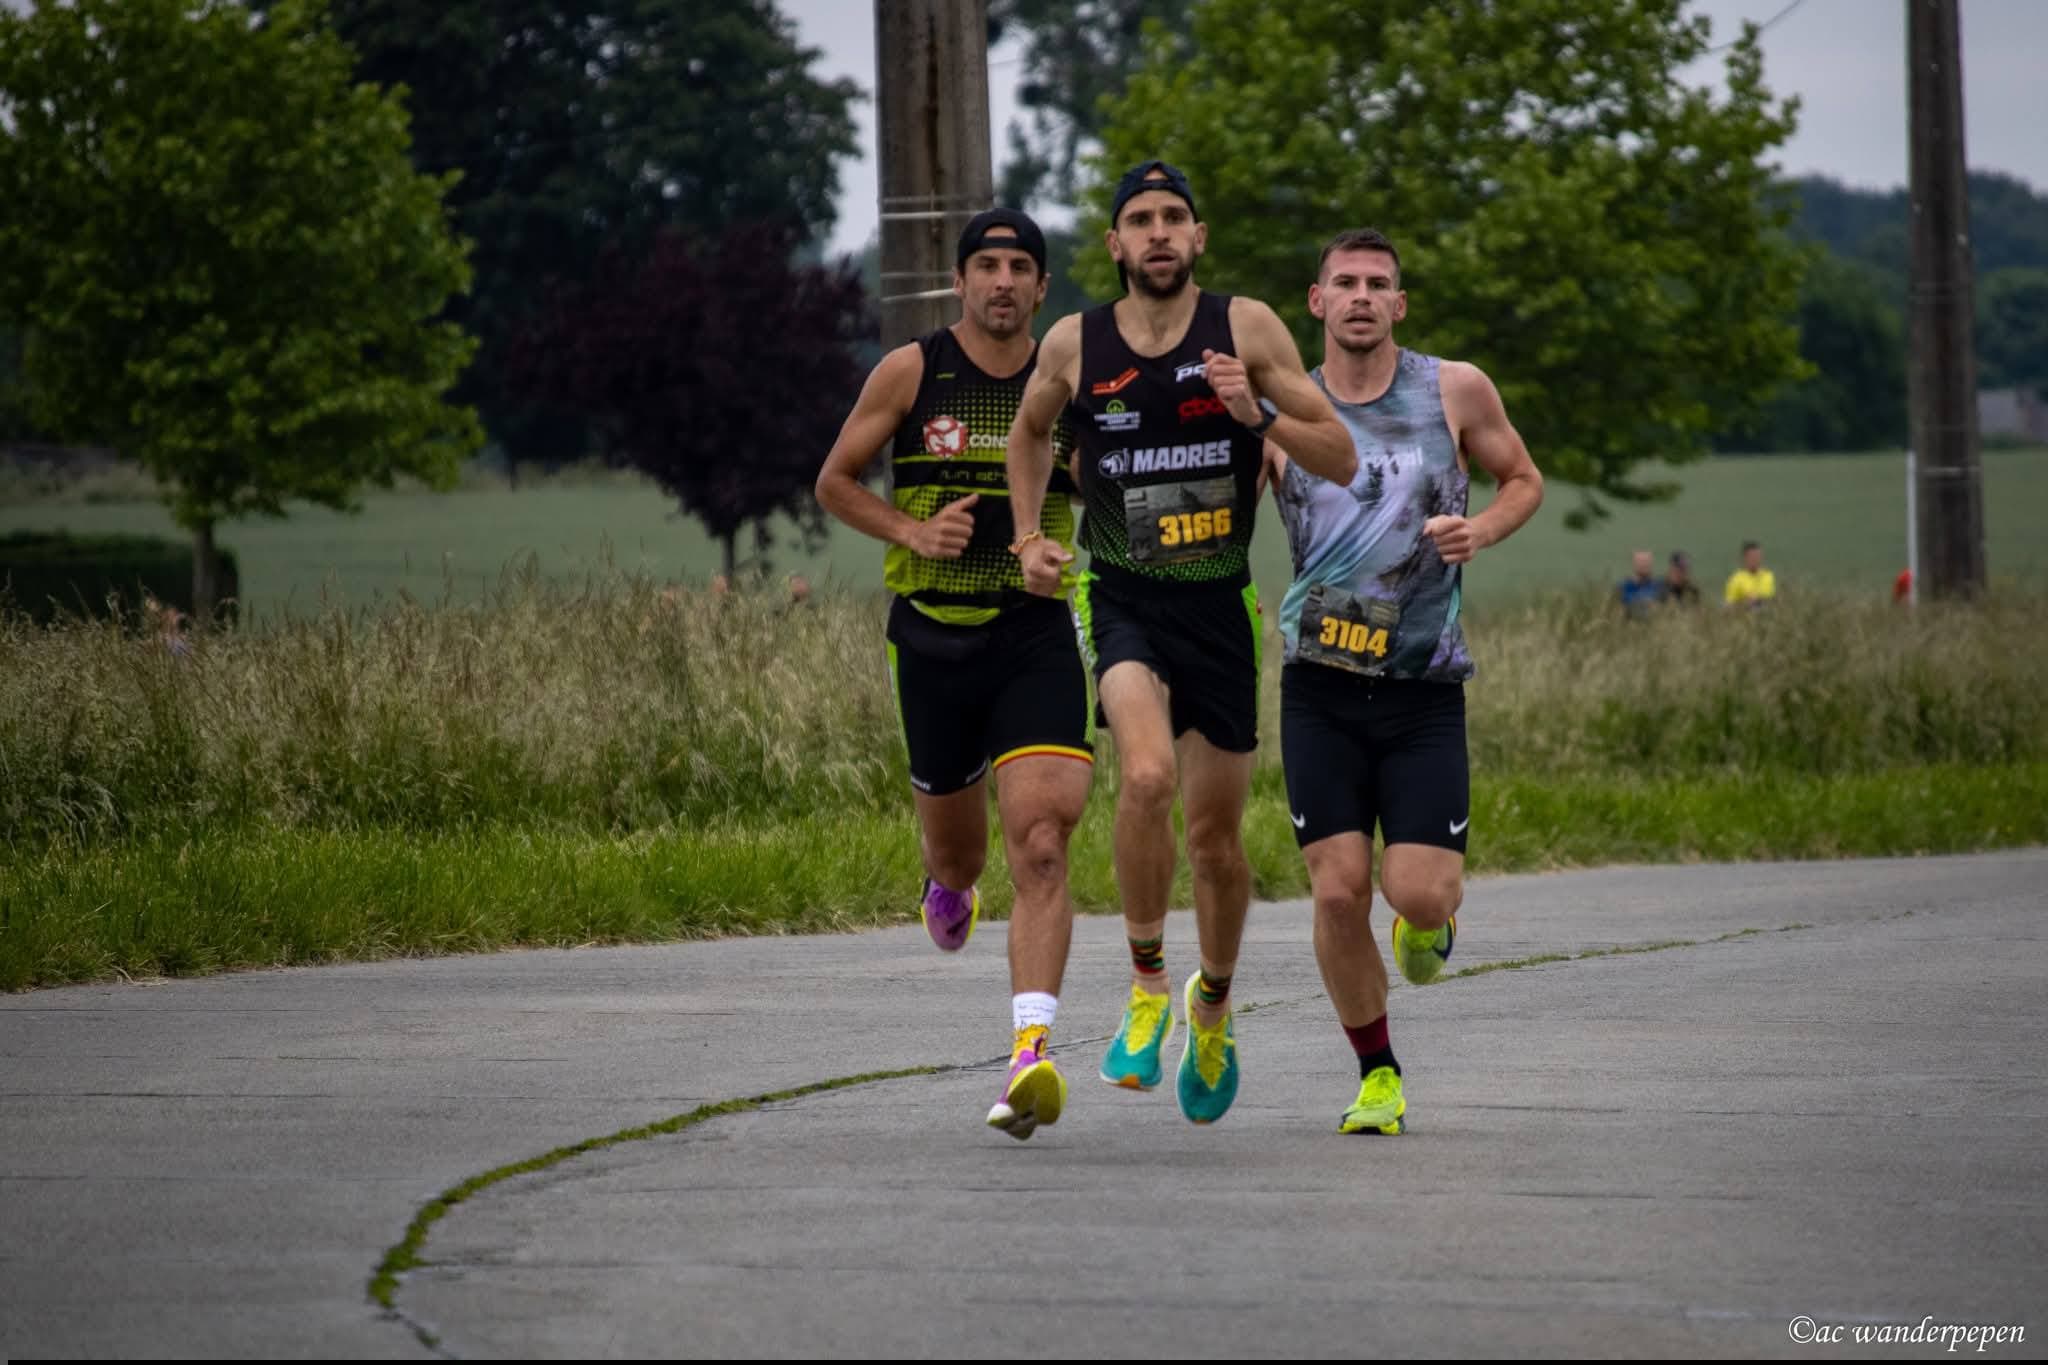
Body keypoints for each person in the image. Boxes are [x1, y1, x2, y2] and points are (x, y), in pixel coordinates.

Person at [1006, 162, 1356, 1125]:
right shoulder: (1075, 342)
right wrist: (1029, 537)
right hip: (1121, 598)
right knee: (1147, 775)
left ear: (1198, 237)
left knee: (1215, 843)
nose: (1158, 232)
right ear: (1114, 244)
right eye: (1140, 219)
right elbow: (1028, 435)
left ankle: (1213, 1004)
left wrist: (1259, 414)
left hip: (1220, 609)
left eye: (1173, 218)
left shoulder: (1248, 329)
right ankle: (1148, 984)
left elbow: (1339, 453)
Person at [815, 208, 1093, 1141]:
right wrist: (910, 530)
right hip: (932, 638)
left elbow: (1107, 487)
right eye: (987, 265)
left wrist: (1066, 546)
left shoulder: (1068, 381)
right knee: (961, 858)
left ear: (1043, 287)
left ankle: (1030, 1052)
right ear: (960, 280)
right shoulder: (913, 370)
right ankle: (949, 882)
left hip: (1034, 634)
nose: (1002, 281)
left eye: (1019, 267)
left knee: (1043, 842)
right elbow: (834, 480)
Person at [1266, 228, 1542, 1134]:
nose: (1360, 296)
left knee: (1416, 893)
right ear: (1317, 301)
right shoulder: (1285, 408)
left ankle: (1427, 924)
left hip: (1423, 687)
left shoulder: (1452, 388)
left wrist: (1480, 531)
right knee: (1337, 889)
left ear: (1399, 303)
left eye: (1376, 283)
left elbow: (1522, 479)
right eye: (1343, 282)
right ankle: (1377, 1071)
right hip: (1319, 684)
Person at [1724, 539, 1776, 608]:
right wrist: (1744, 603)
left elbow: (1771, 598)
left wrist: (1757, 599)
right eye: (1753, 557)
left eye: (1758, 556)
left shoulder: (1768, 576)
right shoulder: (1735, 579)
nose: (1756, 560)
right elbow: (1729, 604)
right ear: (1745, 558)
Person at [1617, 549, 1662, 619]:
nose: (1643, 565)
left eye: (1646, 562)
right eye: (1640, 562)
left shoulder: (1659, 586)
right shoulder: (1623, 587)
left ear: (1651, 564)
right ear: (1634, 564)